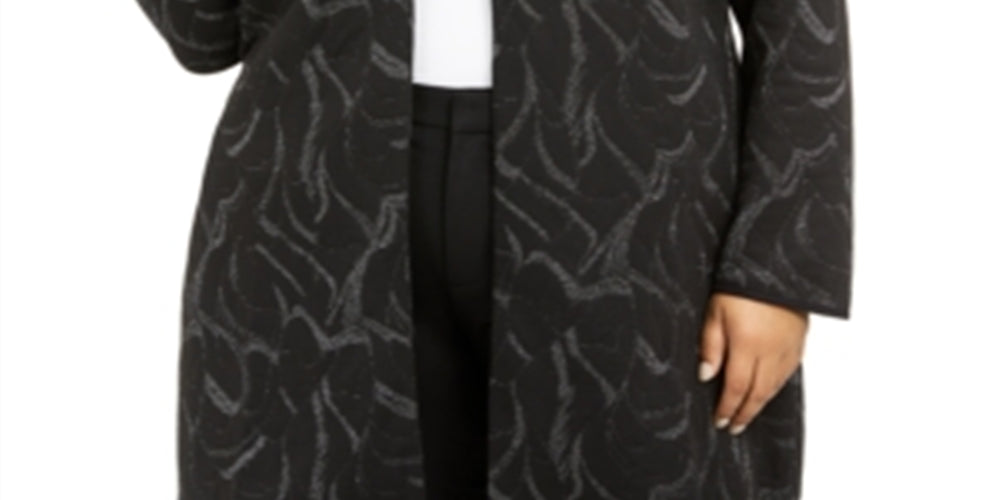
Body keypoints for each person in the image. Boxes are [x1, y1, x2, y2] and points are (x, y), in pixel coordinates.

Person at [136, 0, 853, 498]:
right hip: (318, 194)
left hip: (635, 202)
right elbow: (205, 32)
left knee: (632, 461)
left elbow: (801, 19)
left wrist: (778, 263)